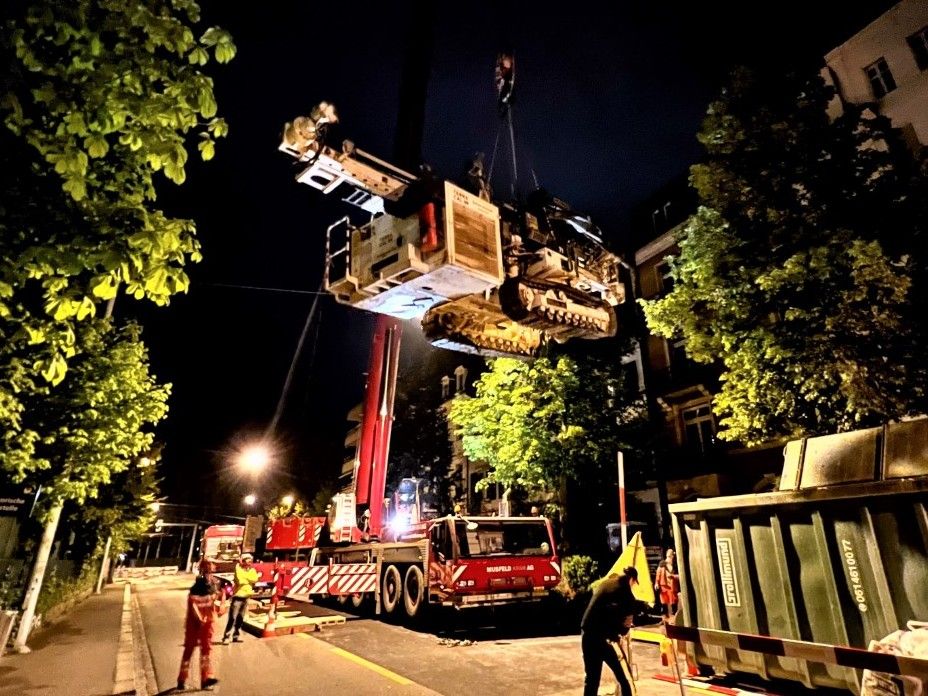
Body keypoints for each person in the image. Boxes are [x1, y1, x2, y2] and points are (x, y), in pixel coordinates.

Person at [580, 567, 639, 696]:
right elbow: (625, 627)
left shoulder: (605, 584)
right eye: (634, 583)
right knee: (625, 677)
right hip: (606, 640)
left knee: (591, 679)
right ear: (632, 580)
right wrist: (621, 631)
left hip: (587, 635)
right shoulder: (628, 596)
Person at [177, 564, 221, 691]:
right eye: (210, 571)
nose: (211, 574)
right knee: (203, 652)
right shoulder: (207, 588)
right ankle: (203, 679)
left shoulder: (196, 589)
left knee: (193, 652)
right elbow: (201, 608)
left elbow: (210, 606)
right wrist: (204, 618)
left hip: (198, 625)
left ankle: (184, 680)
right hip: (203, 625)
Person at [222, 552, 259, 644]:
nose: (250, 561)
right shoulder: (238, 569)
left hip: (246, 597)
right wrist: (248, 580)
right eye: (247, 559)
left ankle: (235, 636)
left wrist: (246, 579)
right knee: (232, 618)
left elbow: (255, 579)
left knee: (240, 618)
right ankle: (226, 637)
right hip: (237, 597)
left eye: (250, 560)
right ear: (243, 561)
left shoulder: (252, 570)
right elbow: (240, 580)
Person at [656, 548, 679, 624]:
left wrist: (673, 576)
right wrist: (657, 583)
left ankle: (673, 619)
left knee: (673, 603)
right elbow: (658, 574)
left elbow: (680, 575)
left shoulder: (676, 565)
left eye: (671, 555)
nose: (669, 557)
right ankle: (664, 619)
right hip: (664, 586)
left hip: (672, 586)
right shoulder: (662, 564)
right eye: (668, 555)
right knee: (664, 603)